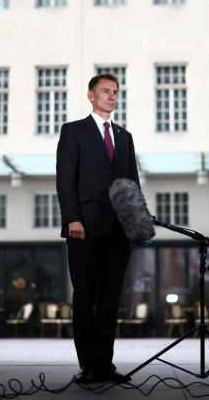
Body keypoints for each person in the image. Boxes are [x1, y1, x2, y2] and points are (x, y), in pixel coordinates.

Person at [56, 73, 140, 384]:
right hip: (84, 228)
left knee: (109, 299)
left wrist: (136, 225)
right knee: (84, 297)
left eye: (115, 92)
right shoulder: (74, 131)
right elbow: (65, 179)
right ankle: (88, 366)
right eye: (105, 91)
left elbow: (131, 183)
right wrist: (72, 218)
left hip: (119, 231)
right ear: (91, 96)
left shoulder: (125, 136)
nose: (111, 96)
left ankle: (105, 365)